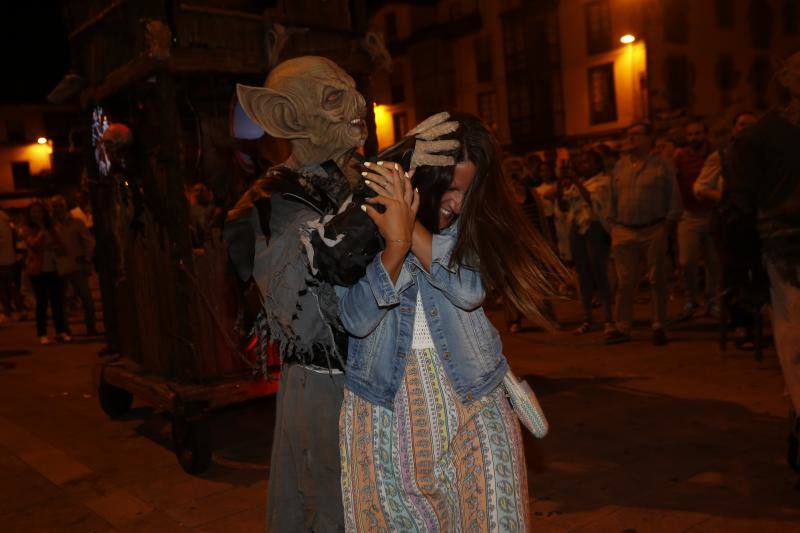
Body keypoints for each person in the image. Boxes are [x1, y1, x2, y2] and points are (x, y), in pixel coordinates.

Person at [226, 56, 459, 532]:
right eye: (335, 97)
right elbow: (320, 277)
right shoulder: (268, 202)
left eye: (355, 92)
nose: (359, 107)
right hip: (327, 387)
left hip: (393, 379)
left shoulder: (364, 176)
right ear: (288, 117)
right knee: (333, 509)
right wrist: (395, 173)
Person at [337, 113, 565, 531]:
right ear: (423, 180)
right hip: (387, 408)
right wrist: (396, 245)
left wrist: (408, 232)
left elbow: (469, 288)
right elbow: (354, 318)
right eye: (451, 189)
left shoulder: (469, 229)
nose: (458, 203)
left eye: (468, 191)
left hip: (475, 394)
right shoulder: (363, 221)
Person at [723, 50, 800, 474]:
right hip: (787, 248)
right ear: (786, 79)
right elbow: (740, 201)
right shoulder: (762, 135)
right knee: (795, 341)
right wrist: (744, 265)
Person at [605, 122, 683, 345]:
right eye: (629, 135)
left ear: (649, 138)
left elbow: (674, 197)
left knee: (657, 279)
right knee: (626, 281)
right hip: (624, 229)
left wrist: (667, 225)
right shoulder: (619, 167)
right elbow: (611, 199)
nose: (630, 139)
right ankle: (623, 327)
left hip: (653, 228)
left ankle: (659, 324)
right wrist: (613, 226)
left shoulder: (663, 166)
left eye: (636, 135)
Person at [556, 150, 613, 335]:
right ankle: (587, 317)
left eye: (587, 161)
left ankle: (609, 318)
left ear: (597, 164)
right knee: (583, 275)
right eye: (581, 162)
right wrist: (560, 182)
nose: (583, 165)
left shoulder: (603, 180)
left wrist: (575, 181)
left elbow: (592, 200)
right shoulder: (577, 184)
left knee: (600, 273)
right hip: (577, 228)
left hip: (594, 228)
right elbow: (564, 206)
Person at [673, 119, 720, 320]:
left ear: (705, 133)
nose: (694, 138)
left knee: (714, 262)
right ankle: (692, 300)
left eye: (698, 133)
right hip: (689, 215)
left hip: (713, 214)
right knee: (686, 261)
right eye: (691, 134)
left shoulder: (716, 153)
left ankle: (714, 301)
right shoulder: (680, 157)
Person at [22, 201, 70, 344]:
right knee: (42, 302)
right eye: (34, 211)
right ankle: (42, 333)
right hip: (38, 270)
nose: (37, 214)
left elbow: (61, 245)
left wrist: (55, 237)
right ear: (29, 214)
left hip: (54, 268)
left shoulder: (52, 227)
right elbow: (33, 245)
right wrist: (42, 233)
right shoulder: (27, 228)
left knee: (57, 302)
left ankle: (60, 331)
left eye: (39, 211)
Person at [50, 195, 96, 336]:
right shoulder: (51, 226)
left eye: (60, 206)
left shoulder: (77, 223)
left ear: (65, 207)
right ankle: (65, 329)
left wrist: (87, 260)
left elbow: (88, 242)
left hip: (77, 264)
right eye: (55, 206)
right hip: (59, 267)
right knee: (63, 300)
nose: (58, 209)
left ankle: (90, 326)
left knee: (86, 297)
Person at [0, 208, 15, 323]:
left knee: (4, 287)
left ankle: (7, 311)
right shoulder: (5, 219)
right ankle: (10, 310)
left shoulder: (1, 220)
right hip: (8, 257)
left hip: (2, 258)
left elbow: (2, 240)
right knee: (9, 286)